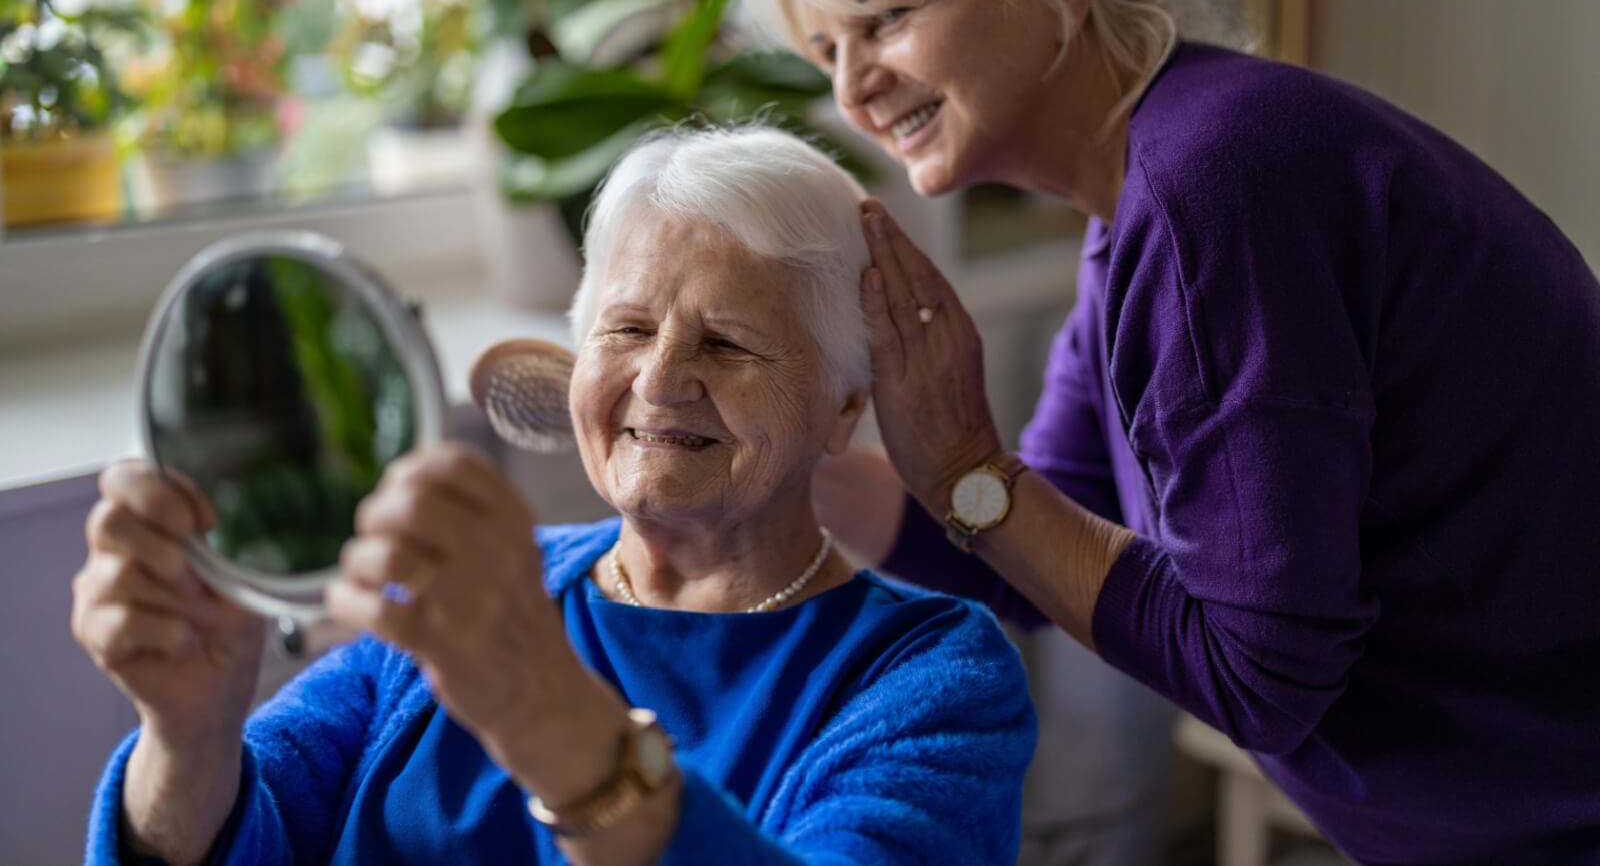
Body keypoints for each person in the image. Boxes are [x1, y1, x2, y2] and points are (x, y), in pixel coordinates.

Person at [744, 0, 1600, 863]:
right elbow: (1022, 558)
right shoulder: (1141, 210)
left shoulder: (1217, 188)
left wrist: (965, 463)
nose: (851, 87)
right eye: (828, 50)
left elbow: (1259, 675)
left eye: (884, 17)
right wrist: (785, 458)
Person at [72, 126, 1036, 866]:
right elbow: (245, 823)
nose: (659, 382)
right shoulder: (476, 592)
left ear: (843, 408)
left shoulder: (929, 679)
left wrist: (548, 719)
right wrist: (187, 738)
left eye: (728, 343)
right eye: (625, 329)